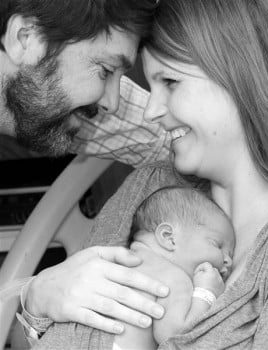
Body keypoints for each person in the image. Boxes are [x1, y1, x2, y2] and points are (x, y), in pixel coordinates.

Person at [27, 0, 268, 349]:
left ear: (239, 76)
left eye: (170, 82)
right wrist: (34, 301)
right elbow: (68, 329)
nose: (151, 110)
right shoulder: (150, 186)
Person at [0, 0, 174, 341]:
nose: (112, 102)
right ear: (26, 38)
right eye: (106, 72)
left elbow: (172, 139)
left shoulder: (68, 96)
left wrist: (35, 294)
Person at [105, 185, 235, 350]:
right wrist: (207, 294)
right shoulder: (173, 277)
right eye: (218, 245)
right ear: (169, 238)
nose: (229, 261)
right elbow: (177, 337)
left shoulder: (120, 261)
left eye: (231, 253)